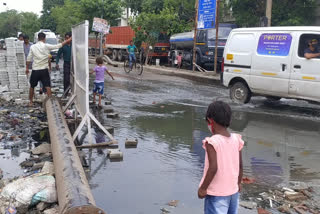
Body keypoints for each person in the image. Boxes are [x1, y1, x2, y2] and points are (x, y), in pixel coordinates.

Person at [198, 101, 244, 214]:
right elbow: (240, 165)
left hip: (216, 194)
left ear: (210, 121)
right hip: (233, 192)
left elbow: (213, 167)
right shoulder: (236, 139)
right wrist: (238, 183)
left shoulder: (212, 142)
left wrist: (203, 188)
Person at [26, 32, 72, 106]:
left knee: (32, 86)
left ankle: (30, 102)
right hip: (44, 69)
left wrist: (27, 68)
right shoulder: (46, 46)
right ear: (44, 39)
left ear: (38, 38)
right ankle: (50, 102)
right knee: (47, 86)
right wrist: (68, 40)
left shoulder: (33, 47)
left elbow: (28, 59)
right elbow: (58, 46)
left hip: (35, 70)